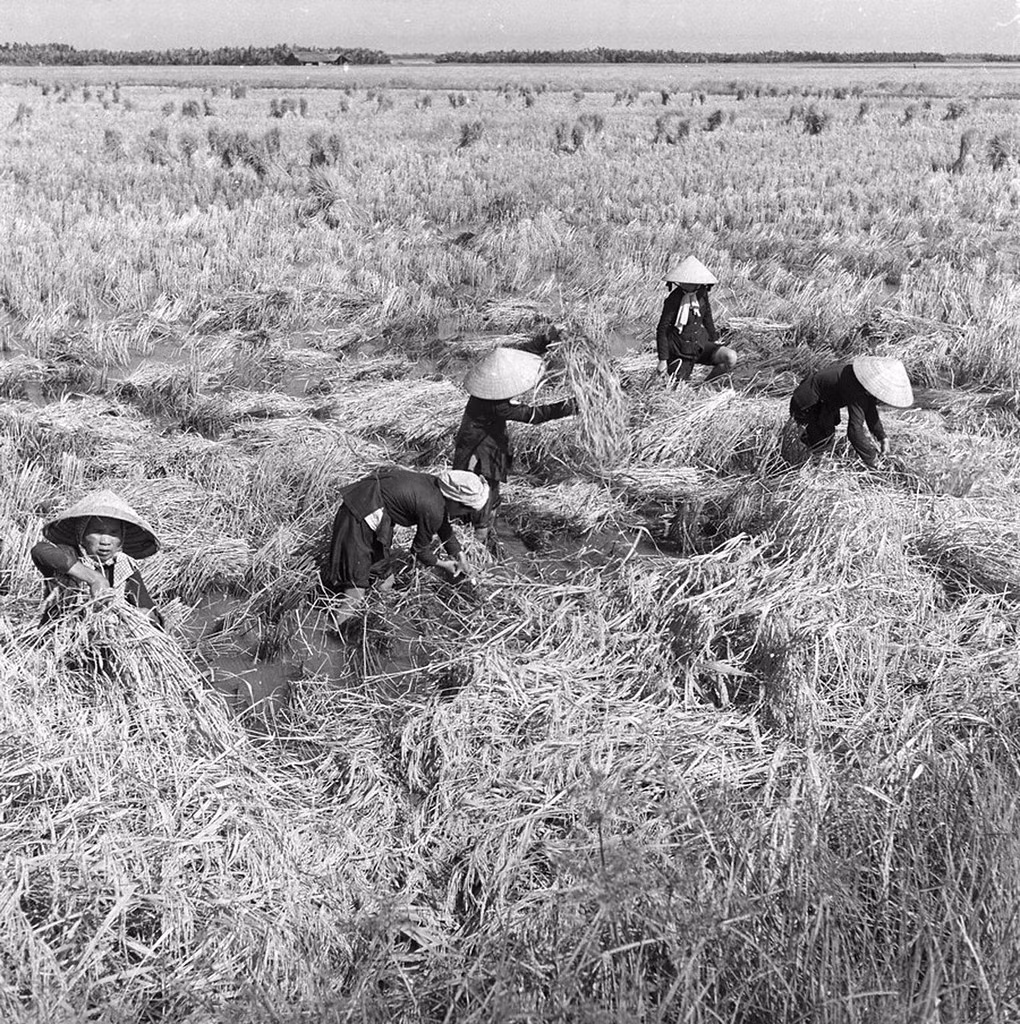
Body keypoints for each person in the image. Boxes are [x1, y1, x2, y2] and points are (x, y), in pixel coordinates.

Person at [453, 329, 575, 547]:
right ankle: (477, 542)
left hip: (486, 439)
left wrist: (546, 339)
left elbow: (523, 354)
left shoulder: (490, 382)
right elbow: (535, 415)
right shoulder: (496, 404)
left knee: (489, 492)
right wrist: (572, 406)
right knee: (482, 493)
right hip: (478, 448)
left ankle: (486, 530)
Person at [323, 468, 489, 610]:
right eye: (467, 510)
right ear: (455, 501)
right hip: (361, 514)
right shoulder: (433, 507)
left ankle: (372, 614)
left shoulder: (434, 487)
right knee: (355, 592)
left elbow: (443, 526)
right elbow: (419, 551)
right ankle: (334, 629)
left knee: (386, 581)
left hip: (373, 507)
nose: (464, 515)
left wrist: (460, 555)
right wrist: (444, 565)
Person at [31, 489, 163, 625]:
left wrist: (147, 616)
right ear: (82, 535)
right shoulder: (69, 554)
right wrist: (94, 578)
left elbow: (150, 610)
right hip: (62, 634)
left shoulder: (125, 568)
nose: (106, 541)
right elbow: (40, 551)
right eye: (98, 532)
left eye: (114, 533)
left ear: (121, 538)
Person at [788, 355, 913, 467]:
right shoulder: (855, 387)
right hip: (807, 404)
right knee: (822, 443)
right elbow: (854, 430)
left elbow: (870, 412)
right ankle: (809, 463)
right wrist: (872, 459)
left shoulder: (862, 384)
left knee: (827, 434)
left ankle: (809, 447)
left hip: (825, 402)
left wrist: (882, 438)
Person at [655, 255, 737, 383]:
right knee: (677, 386)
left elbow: (707, 317)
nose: (686, 284)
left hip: (699, 345)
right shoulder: (673, 299)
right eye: (684, 282)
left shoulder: (702, 293)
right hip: (679, 350)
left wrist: (714, 339)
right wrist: (663, 360)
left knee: (730, 357)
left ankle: (705, 385)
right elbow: (662, 329)